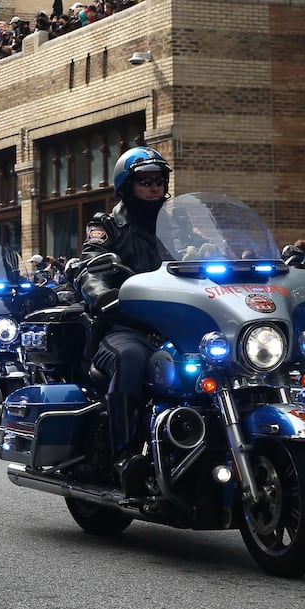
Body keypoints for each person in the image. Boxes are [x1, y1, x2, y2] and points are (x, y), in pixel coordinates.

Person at [71, 147, 174, 494]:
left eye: (159, 180)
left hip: (177, 325)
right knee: (131, 359)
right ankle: (126, 455)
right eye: (146, 180)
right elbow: (90, 265)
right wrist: (101, 293)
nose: (155, 187)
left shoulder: (177, 225)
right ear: (127, 185)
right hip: (125, 326)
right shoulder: (108, 225)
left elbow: (207, 254)